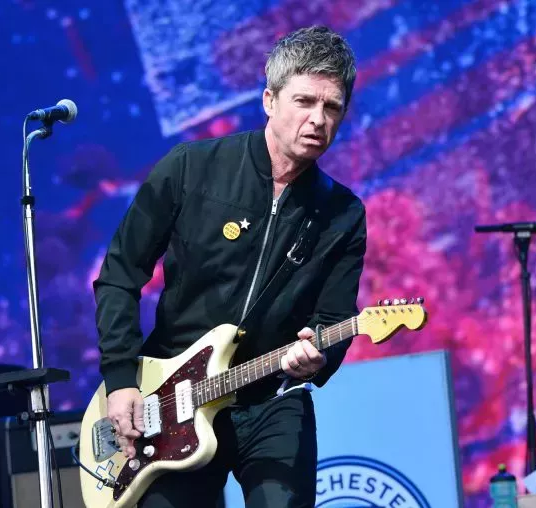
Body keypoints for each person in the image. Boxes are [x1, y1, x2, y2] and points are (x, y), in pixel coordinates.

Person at [93, 25, 366, 507]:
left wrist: (319, 357)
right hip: (171, 397)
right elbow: (119, 274)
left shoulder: (343, 214)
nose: (318, 119)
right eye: (304, 101)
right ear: (269, 100)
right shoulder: (189, 167)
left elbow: (333, 319)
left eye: (332, 107)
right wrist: (120, 381)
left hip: (272, 400)